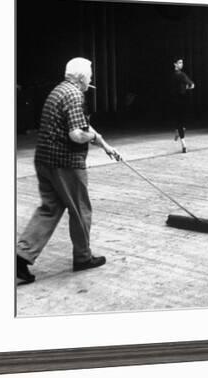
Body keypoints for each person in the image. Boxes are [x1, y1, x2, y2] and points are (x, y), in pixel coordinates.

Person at [16, 57, 122, 284]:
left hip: (44, 161)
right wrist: (93, 137)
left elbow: (82, 124)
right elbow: (77, 134)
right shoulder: (75, 95)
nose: (92, 78)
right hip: (65, 163)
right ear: (82, 77)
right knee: (81, 209)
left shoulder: (58, 91)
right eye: (90, 74)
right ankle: (83, 258)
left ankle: (21, 256)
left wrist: (105, 146)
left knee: (50, 209)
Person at [170, 58, 195, 153]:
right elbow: (192, 84)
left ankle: (178, 132)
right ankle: (183, 144)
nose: (181, 64)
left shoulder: (174, 75)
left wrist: (185, 87)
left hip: (179, 101)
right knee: (180, 122)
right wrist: (187, 87)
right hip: (179, 101)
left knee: (180, 122)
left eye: (182, 62)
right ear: (175, 64)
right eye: (179, 62)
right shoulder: (180, 74)